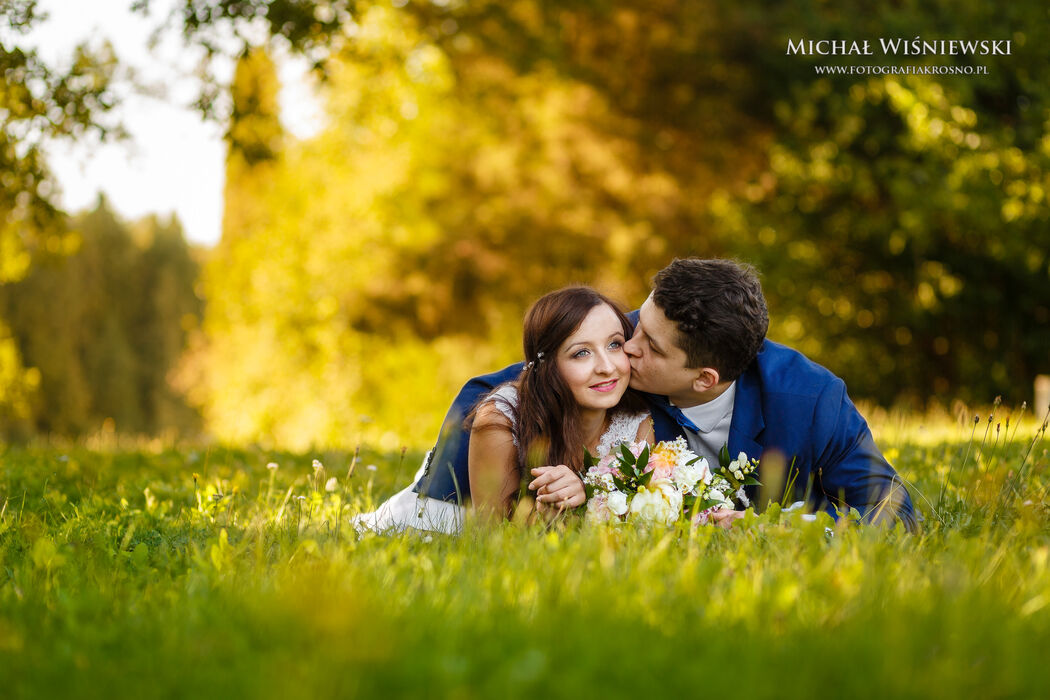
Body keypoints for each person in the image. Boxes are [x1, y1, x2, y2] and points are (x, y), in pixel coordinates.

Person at [413, 258, 917, 531]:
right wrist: (440, 498)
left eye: (645, 344)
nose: (623, 348)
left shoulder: (811, 401)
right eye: (636, 322)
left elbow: (897, 512)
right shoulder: (621, 360)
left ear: (704, 378)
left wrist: (791, 529)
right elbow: (504, 385)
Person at [353, 286, 652, 533]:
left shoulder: (637, 424)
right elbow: (493, 538)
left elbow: (630, 526)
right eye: (581, 353)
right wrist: (555, 512)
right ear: (548, 367)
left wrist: (586, 496)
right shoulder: (499, 419)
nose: (607, 367)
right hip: (443, 518)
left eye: (614, 345)